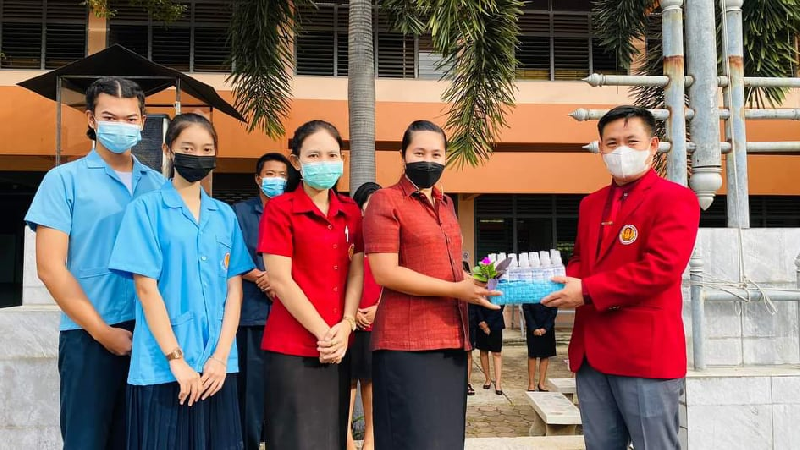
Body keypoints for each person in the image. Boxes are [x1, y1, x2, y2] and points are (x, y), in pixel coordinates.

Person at [541, 105, 700, 450]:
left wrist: (586, 290)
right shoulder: (591, 204)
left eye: (632, 141)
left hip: (644, 353)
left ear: (653, 145)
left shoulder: (676, 199)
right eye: (612, 143)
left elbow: (662, 268)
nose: (621, 150)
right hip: (591, 351)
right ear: (600, 148)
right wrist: (560, 283)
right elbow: (581, 259)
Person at [24, 76, 164, 450]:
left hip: (151, 337)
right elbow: (50, 268)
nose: (121, 126)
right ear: (91, 119)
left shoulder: (158, 185)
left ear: (143, 121)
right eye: (109, 117)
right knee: (86, 441)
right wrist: (103, 332)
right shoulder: (63, 181)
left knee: (144, 440)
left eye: (130, 118)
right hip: (88, 336)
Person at [108, 113, 254, 449]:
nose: (197, 156)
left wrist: (220, 357)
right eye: (188, 148)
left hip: (217, 369)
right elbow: (146, 288)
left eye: (206, 149)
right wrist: (176, 359)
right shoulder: (146, 209)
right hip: (162, 367)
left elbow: (233, 289)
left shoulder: (225, 215)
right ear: (168, 150)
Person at [363, 120, 500, 450]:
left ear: (446, 157)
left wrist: (478, 284)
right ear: (403, 156)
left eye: (436, 154)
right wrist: (457, 290)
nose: (428, 160)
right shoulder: (385, 200)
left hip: (452, 339)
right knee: (413, 438)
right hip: (406, 342)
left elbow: (450, 270)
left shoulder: (447, 204)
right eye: (419, 152)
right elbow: (385, 272)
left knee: (446, 440)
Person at [258, 120, 364, 450]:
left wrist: (346, 324)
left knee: (332, 439)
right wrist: (324, 333)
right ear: (296, 161)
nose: (324, 162)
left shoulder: (351, 211)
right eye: (314, 155)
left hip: (339, 347)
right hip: (294, 348)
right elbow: (280, 279)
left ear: (342, 159)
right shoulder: (280, 210)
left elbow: (357, 271)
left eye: (332, 155)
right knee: (295, 439)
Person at [232, 152, 295, 450]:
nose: (276, 180)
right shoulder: (239, 213)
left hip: (289, 315)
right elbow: (230, 254)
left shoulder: (294, 212)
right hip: (253, 316)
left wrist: (281, 282)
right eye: (270, 174)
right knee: (252, 392)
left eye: (282, 175)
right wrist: (261, 278)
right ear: (258, 178)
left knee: (285, 390)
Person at [346, 181, 382, 450]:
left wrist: (377, 310)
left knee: (371, 383)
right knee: (347, 382)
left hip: (376, 323)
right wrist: (352, 312)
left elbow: (393, 280)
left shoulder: (388, 240)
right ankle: (346, 439)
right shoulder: (347, 238)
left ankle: (370, 439)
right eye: (368, 204)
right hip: (347, 322)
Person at [522, 303, 558, 392]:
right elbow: (526, 310)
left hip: (547, 329)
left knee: (545, 355)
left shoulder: (550, 294)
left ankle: (541, 383)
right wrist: (533, 328)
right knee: (532, 355)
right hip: (532, 328)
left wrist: (546, 328)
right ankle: (531, 384)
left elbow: (553, 310)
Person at [475, 303, 506, 395]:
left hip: (496, 322)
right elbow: (476, 304)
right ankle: (487, 379)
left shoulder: (499, 293)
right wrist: (482, 322)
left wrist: (487, 323)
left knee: (497, 353)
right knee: (483, 351)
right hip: (481, 323)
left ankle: (498, 383)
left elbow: (500, 307)